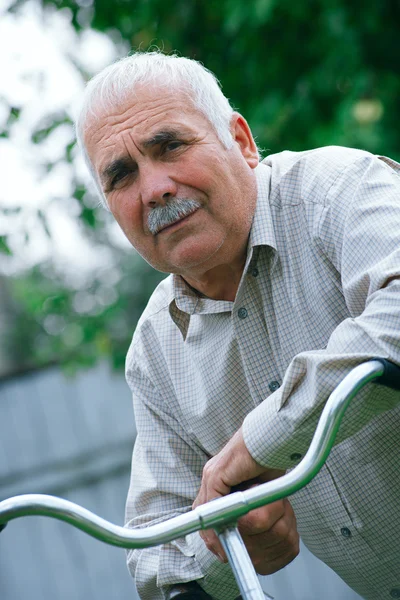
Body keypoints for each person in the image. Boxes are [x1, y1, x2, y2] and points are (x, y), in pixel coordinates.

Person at [76, 51, 400, 600]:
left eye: (170, 146)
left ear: (243, 142)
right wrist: (223, 542)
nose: (154, 188)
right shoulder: (157, 351)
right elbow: (158, 562)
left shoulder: (338, 188)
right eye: (122, 175)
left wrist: (261, 441)